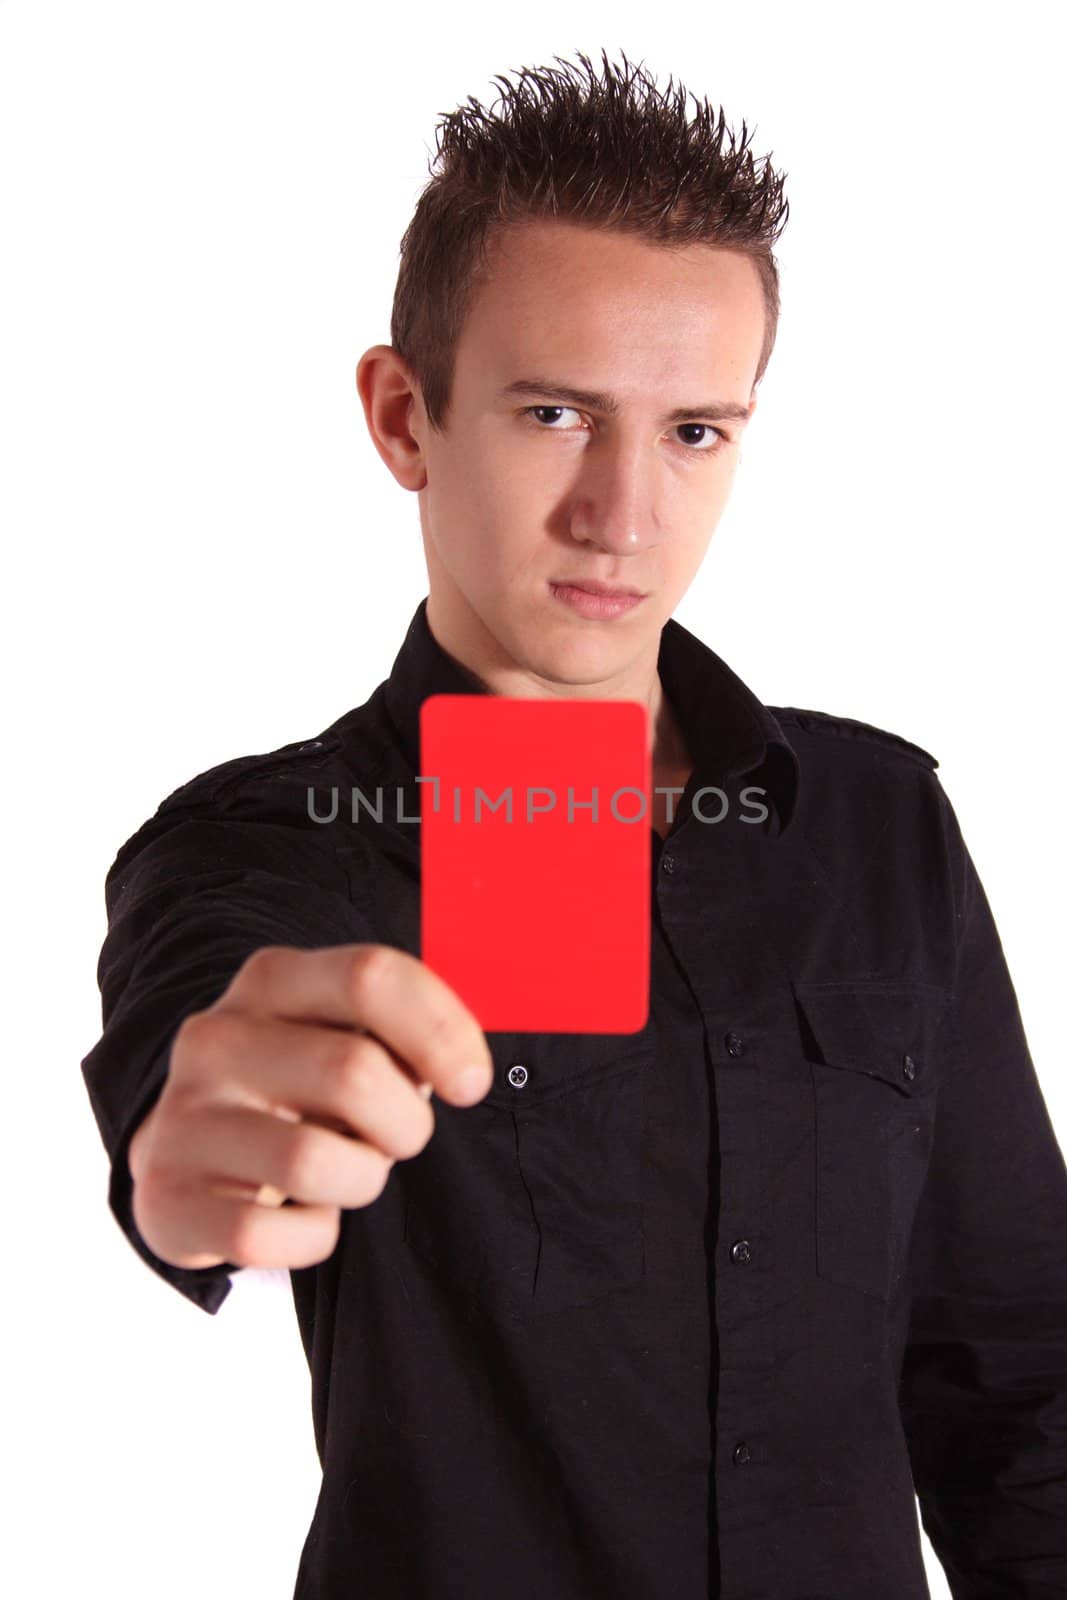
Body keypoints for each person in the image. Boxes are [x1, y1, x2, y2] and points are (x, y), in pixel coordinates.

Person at [80, 48, 1067, 1600]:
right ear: (408, 419)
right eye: (554, 413)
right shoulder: (271, 847)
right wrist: (199, 1154)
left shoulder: (878, 822)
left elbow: (1021, 1380)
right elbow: (198, 1042)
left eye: (693, 433)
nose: (624, 514)